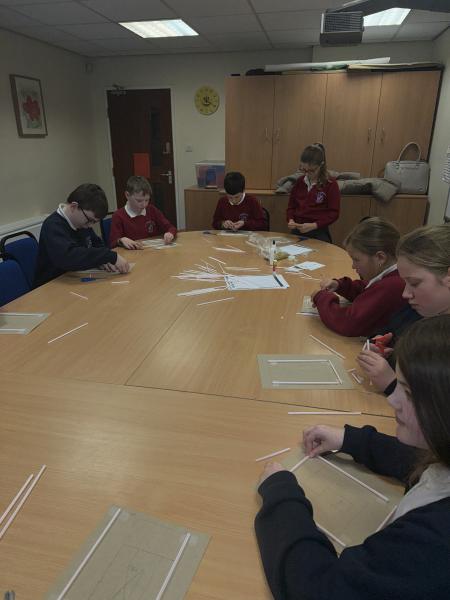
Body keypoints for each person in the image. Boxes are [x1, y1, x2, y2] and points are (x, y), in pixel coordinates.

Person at [255, 315, 450, 600]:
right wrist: (350, 440)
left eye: (407, 392)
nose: (392, 399)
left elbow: (315, 590)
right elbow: (426, 460)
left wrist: (281, 495)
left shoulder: (434, 542)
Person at [357, 224, 450, 394]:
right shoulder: (414, 312)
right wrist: (380, 346)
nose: (405, 294)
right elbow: (385, 333)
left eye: (414, 283)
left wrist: (391, 384)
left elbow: (436, 403)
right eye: (405, 282)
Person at [311, 217, 407, 337]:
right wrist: (340, 285)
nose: (353, 266)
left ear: (380, 258)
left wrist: (321, 298)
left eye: (356, 260)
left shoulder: (392, 285)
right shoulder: (394, 274)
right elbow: (370, 290)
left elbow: (347, 323)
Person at [34, 183, 129, 287]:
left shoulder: (82, 224)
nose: (90, 226)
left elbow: (97, 244)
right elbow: (69, 257)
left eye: (94, 222)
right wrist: (109, 256)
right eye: (89, 220)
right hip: (52, 285)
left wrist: (103, 261)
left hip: (75, 279)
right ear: (74, 207)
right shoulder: (52, 226)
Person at [286, 143, 340, 243]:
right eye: (303, 170)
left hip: (318, 232)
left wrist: (314, 225)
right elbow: (291, 207)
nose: (307, 174)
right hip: (297, 231)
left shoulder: (330, 184)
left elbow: (334, 213)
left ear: (321, 165)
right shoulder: (300, 182)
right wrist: (291, 219)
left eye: (311, 171)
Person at [109, 175, 177, 249]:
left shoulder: (152, 210)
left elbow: (170, 227)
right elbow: (113, 243)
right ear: (127, 195)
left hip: (153, 252)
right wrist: (121, 240)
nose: (144, 204)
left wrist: (170, 233)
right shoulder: (118, 216)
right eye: (139, 201)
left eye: (147, 200)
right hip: (133, 254)